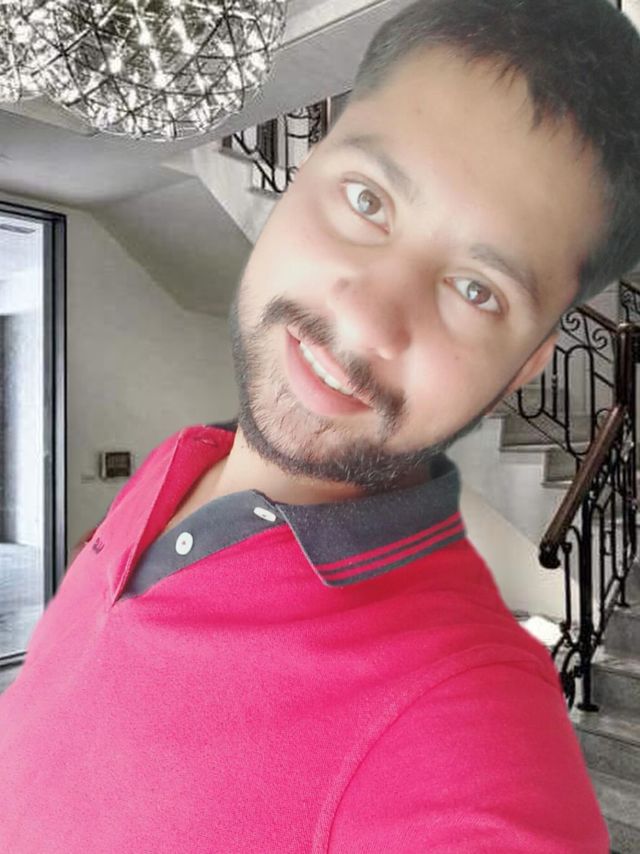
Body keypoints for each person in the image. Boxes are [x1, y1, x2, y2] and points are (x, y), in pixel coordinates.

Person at [1, 0, 639, 850]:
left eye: (477, 289)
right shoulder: (177, 465)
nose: (369, 319)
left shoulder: (465, 739)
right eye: (368, 199)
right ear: (306, 166)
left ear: (525, 366)